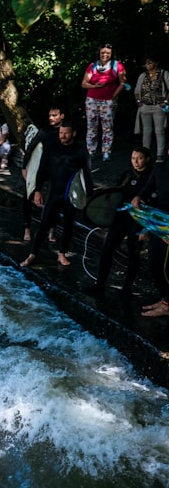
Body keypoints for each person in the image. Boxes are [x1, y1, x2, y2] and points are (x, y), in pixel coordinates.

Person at [21, 121, 92, 268]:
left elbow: (87, 174)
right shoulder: (52, 146)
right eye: (61, 133)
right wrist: (37, 190)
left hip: (71, 193)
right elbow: (42, 168)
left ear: (73, 133)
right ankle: (32, 254)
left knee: (68, 225)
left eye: (66, 133)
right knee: (44, 223)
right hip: (54, 192)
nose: (62, 136)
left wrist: (88, 196)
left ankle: (62, 253)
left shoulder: (80, 150)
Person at [83, 146, 152, 297]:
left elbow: (154, 205)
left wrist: (146, 229)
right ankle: (100, 284)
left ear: (147, 159)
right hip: (121, 218)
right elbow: (115, 197)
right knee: (107, 249)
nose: (136, 162)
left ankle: (126, 289)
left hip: (138, 221)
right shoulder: (128, 175)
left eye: (140, 158)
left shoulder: (151, 178)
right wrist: (104, 218)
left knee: (133, 255)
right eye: (133, 158)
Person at [21, 106, 68, 242]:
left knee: (56, 200)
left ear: (62, 116)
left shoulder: (66, 131)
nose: (51, 118)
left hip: (57, 169)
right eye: (50, 115)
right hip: (41, 168)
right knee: (27, 196)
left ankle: (51, 231)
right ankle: (27, 228)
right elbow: (31, 148)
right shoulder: (45, 131)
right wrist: (24, 167)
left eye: (54, 115)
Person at [131, 159, 169, 316]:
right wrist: (139, 197)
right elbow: (148, 189)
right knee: (155, 264)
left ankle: (167, 305)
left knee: (167, 267)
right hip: (158, 222)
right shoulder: (160, 167)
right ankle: (166, 298)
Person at [80, 43, 126, 163]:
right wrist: (94, 86)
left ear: (112, 54)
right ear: (99, 53)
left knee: (107, 127)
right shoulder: (93, 66)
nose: (105, 55)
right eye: (102, 53)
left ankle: (106, 152)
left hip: (108, 101)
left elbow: (122, 83)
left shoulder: (117, 66)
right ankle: (91, 152)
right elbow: (84, 83)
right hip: (92, 100)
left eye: (108, 53)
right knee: (91, 127)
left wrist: (113, 96)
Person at [134, 57, 169, 161]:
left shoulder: (163, 73)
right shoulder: (143, 75)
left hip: (159, 106)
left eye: (150, 62)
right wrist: (138, 102)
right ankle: (146, 154)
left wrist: (165, 102)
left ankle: (160, 154)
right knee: (146, 131)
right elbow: (137, 90)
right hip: (145, 106)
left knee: (159, 130)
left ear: (156, 63)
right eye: (146, 63)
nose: (148, 65)